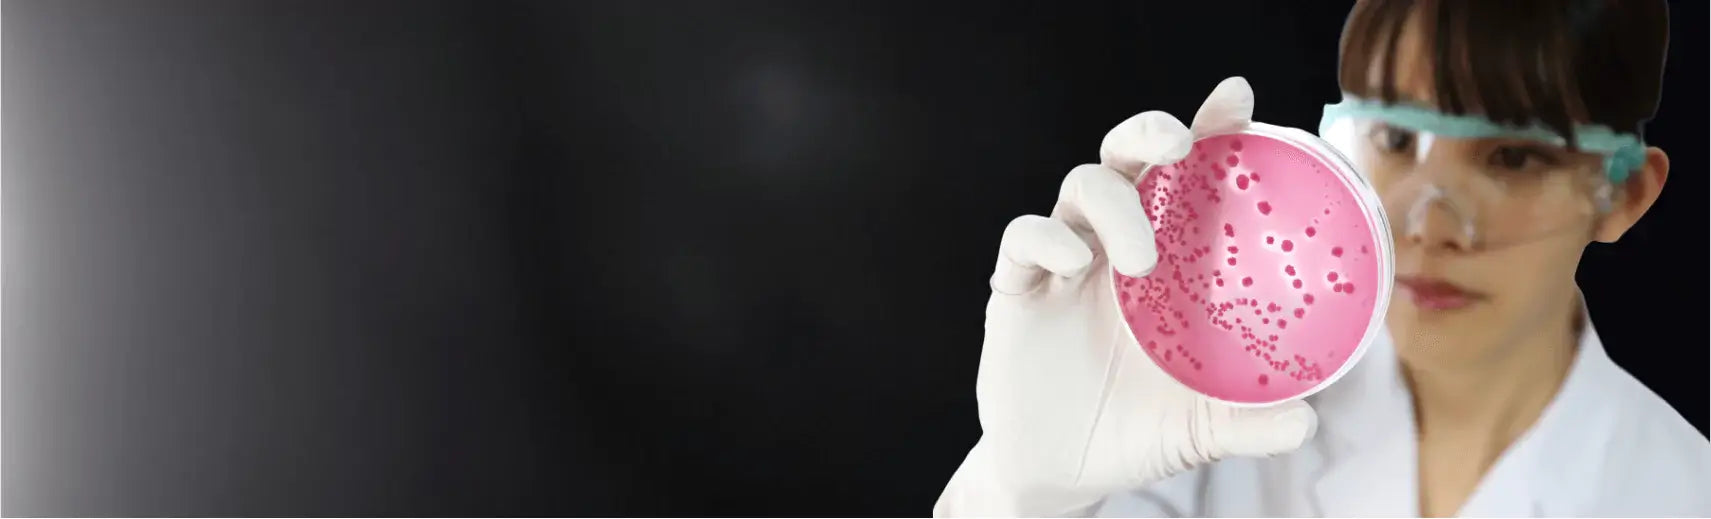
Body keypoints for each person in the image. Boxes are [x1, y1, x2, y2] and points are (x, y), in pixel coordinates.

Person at [934, 0, 1711, 516]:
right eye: (1397, 139)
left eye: (1512, 158)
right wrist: (1011, 492)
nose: (1426, 223)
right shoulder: (1192, 433)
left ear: (1622, 195)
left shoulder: (1681, 491)